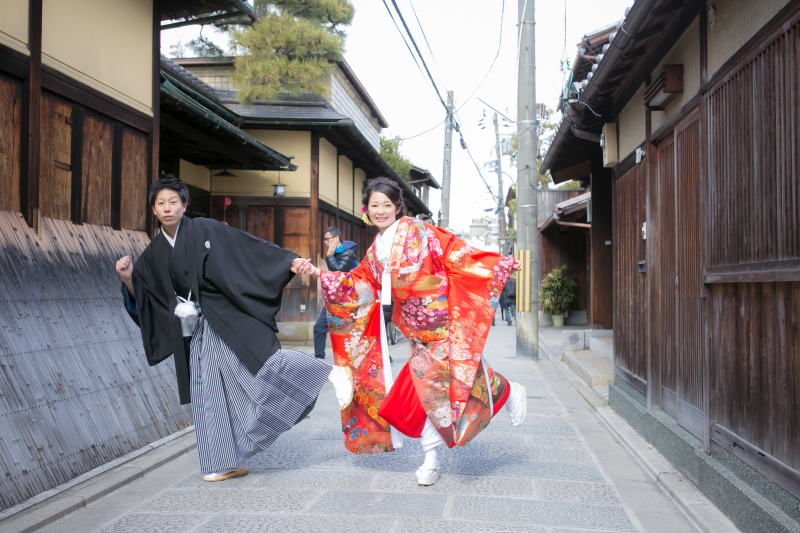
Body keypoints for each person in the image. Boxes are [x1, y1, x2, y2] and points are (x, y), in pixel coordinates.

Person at [115, 175, 354, 483]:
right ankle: (229, 460)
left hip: (229, 314)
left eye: (173, 201)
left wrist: (288, 262)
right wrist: (128, 278)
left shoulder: (206, 229)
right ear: (153, 210)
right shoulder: (153, 253)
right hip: (198, 328)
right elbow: (147, 299)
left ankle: (328, 372)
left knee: (264, 366)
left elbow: (248, 249)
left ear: (184, 205)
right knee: (207, 391)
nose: (167, 208)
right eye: (160, 203)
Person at [296, 177, 528, 487]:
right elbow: (356, 283)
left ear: (397, 207)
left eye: (387, 205)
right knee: (437, 390)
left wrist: (498, 265)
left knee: (436, 389)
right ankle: (504, 394)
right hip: (417, 330)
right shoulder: (374, 250)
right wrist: (317, 273)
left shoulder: (417, 230)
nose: (381, 212)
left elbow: (454, 251)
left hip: (440, 318)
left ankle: (434, 457)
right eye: (375, 206)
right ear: (366, 210)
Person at [313, 227, 357, 359]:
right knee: (319, 328)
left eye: (327, 239)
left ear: (336, 238)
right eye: (324, 240)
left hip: (347, 300)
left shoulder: (349, 253)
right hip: (333, 299)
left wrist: (329, 255)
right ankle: (319, 361)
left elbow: (338, 272)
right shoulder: (335, 253)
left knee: (349, 334)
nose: (325, 242)